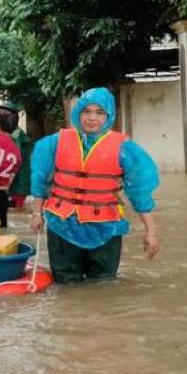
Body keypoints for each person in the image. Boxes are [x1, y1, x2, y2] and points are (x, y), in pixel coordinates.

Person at [30, 87, 160, 284]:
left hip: (105, 227)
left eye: (100, 113)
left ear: (109, 116)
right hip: (62, 224)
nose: (92, 118)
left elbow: (140, 193)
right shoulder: (55, 143)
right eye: (87, 111)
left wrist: (150, 232)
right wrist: (36, 214)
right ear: (78, 113)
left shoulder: (125, 149)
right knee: (65, 283)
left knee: (103, 284)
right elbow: (39, 179)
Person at [0, 101, 32, 209]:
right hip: (14, 181)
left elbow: (13, 158)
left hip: (18, 182)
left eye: (4, 115)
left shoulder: (16, 135)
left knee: (15, 210)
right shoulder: (12, 134)